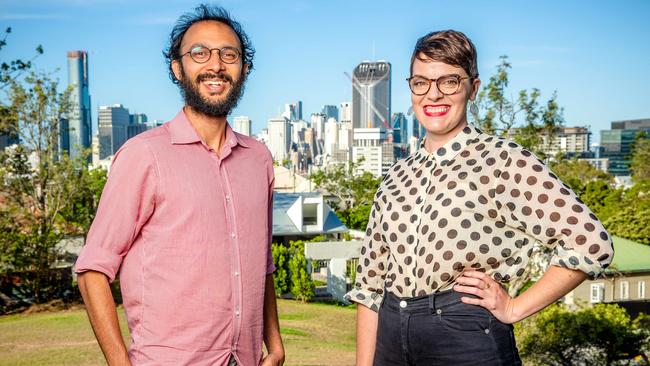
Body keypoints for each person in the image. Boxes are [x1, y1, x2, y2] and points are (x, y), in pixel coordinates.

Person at [346, 30, 614, 366]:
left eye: (450, 82)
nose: (433, 94)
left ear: (473, 88)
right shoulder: (395, 177)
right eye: (421, 82)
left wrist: (515, 308)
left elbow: (591, 243)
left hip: (465, 337)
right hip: (389, 336)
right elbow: (370, 288)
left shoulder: (503, 160)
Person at [75, 4, 284, 366]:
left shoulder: (259, 159)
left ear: (244, 68)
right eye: (199, 53)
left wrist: (275, 344)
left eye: (228, 54)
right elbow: (93, 270)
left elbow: (260, 264)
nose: (215, 65)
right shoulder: (144, 156)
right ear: (177, 68)